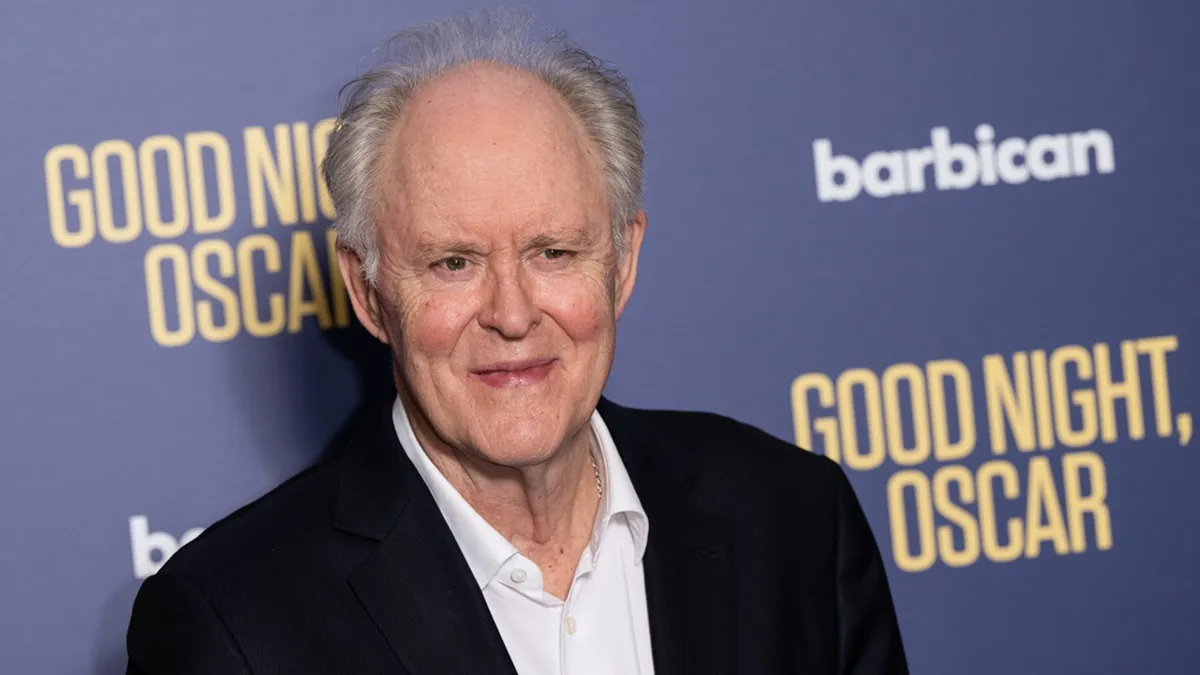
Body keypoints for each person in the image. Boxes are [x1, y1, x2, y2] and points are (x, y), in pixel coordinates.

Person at [126, 9, 908, 675]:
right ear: (368, 291)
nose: (511, 312)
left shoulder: (796, 518)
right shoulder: (232, 624)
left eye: (553, 252)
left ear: (624, 261)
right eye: (454, 262)